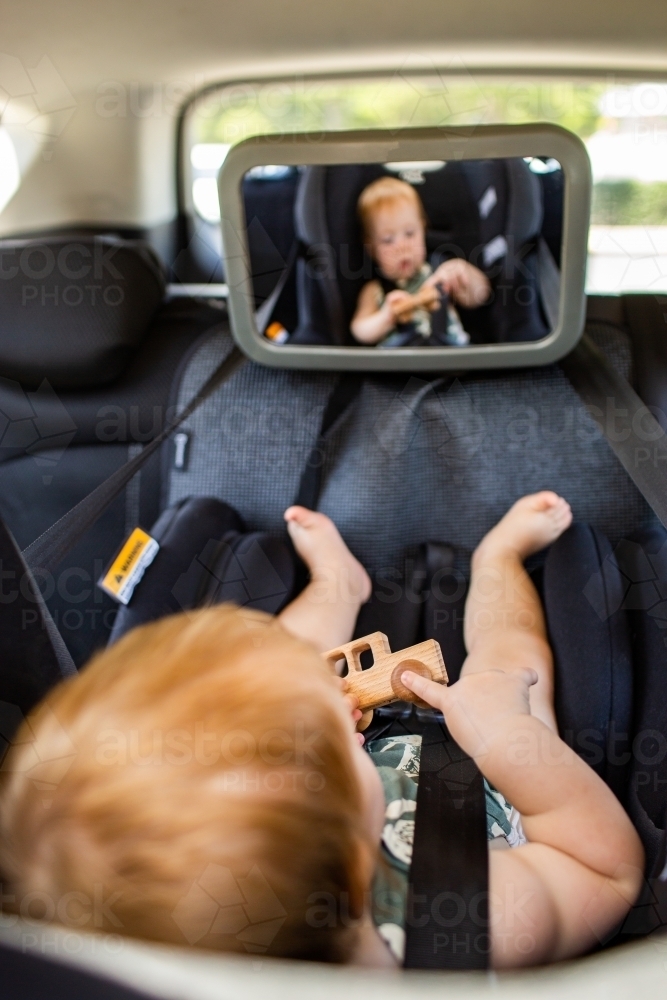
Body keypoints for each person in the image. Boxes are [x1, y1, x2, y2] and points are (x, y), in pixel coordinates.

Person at [0, 495, 643, 969]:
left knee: (281, 665)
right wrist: (507, 740)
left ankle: (340, 586)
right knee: (512, 667)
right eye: (333, 728)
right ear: (351, 863)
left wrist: (302, 699)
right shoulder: (457, 928)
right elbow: (603, 871)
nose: (343, 700)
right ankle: (498, 560)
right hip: (489, 806)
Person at [350, 176, 491, 348]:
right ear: (371, 248)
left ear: (423, 230)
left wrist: (462, 272)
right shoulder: (374, 290)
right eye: (388, 240)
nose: (402, 247)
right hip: (400, 367)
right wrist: (386, 316)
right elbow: (359, 330)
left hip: (451, 359)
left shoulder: (439, 272)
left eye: (409, 234)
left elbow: (480, 295)